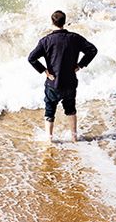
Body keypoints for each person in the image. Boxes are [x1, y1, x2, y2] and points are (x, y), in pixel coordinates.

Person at [27, 10, 97, 142]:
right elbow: (92, 50)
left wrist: (44, 71)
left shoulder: (45, 41)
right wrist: (80, 65)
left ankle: (49, 140)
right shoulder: (75, 38)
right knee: (71, 109)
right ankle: (74, 137)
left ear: (52, 22)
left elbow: (31, 58)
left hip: (53, 84)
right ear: (64, 22)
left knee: (49, 111)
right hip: (70, 82)